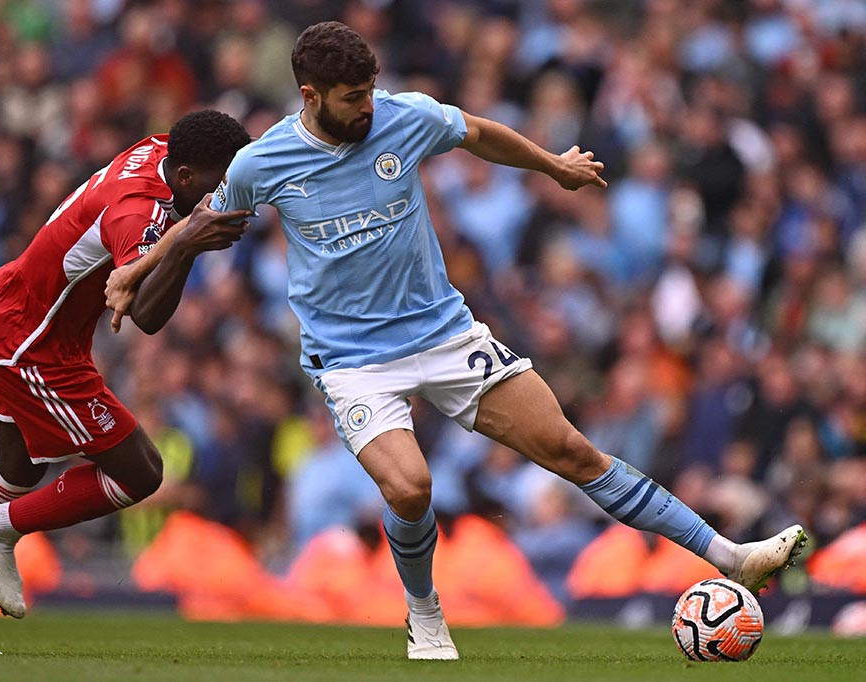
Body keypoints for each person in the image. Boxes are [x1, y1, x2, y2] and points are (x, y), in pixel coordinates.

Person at [107, 22, 807, 661]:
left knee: (571, 449)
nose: (368, 108)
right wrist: (136, 270)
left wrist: (553, 166)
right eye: (353, 98)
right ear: (310, 95)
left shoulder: (402, 117)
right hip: (353, 363)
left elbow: (476, 132)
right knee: (412, 489)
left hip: (443, 333)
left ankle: (730, 555)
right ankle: (423, 610)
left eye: (371, 91)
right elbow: (201, 223)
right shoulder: (264, 163)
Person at [0, 110, 254, 654]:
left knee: (19, 464)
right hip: (29, 340)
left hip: (23, 313)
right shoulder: (136, 214)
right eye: (220, 184)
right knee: (141, 471)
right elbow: (148, 316)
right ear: (186, 177)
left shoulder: (162, 149)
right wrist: (186, 245)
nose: (227, 196)